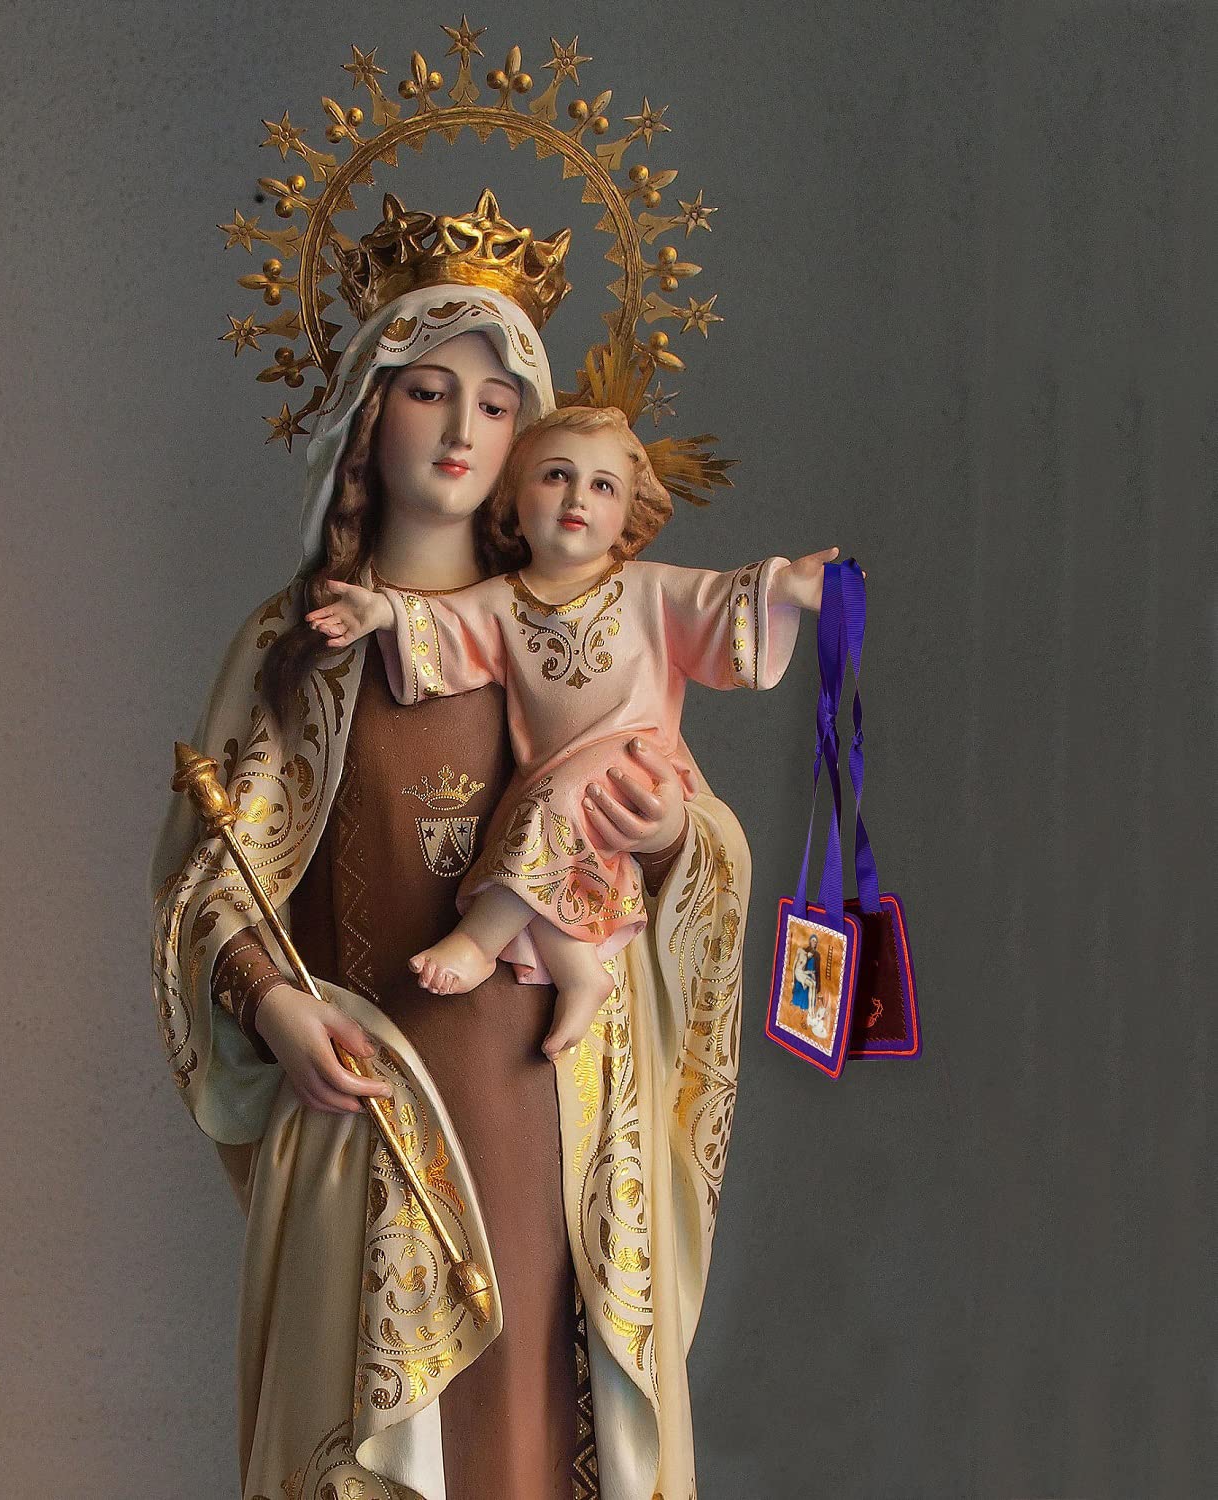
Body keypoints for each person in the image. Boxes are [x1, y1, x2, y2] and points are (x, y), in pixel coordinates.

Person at [152, 205, 800, 1500]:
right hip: (373, 1111)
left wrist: (671, 836)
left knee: (534, 1431)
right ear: (366, 410)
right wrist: (277, 1007)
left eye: (497, 406)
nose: (460, 431)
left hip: (553, 1106)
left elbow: (688, 850)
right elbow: (214, 883)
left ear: (530, 439)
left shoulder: (572, 627)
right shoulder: (299, 646)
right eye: (427, 392)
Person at [304, 404, 837, 1060]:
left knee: (550, 807)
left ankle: (478, 940)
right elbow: (444, 624)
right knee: (540, 823)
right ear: (513, 499)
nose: (577, 497)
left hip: (636, 763)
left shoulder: (648, 590)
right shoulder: (504, 600)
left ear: (628, 513)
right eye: (556, 475)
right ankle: (579, 970)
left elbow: (722, 602)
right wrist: (382, 611)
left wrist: (785, 587)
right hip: (554, 780)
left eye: (603, 485)